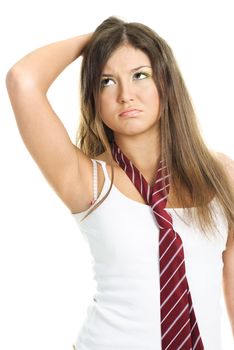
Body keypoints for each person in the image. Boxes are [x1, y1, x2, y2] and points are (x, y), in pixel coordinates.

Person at [6, 15, 234, 350]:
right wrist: (100, 40)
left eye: (140, 75)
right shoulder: (88, 179)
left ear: (166, 84)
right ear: (93, 98)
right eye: (106, 82)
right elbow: (22, 79)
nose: (126, 95)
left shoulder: (220, 174)